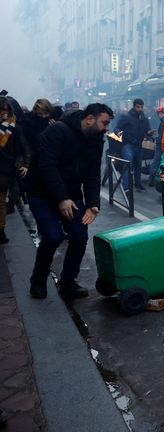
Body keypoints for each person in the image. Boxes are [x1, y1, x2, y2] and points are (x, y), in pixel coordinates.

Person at [25, 103, 113, 299]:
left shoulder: (96, 139)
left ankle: (68, 282)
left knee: (79, 236)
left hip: (72, 193)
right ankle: (38, 280)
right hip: (42, 192)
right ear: (89, 118)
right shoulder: (58, 130)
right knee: (53, 236)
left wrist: (92, 204)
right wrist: (61, 198)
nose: (107, 128)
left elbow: (93, 174)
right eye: (104, 122)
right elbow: (47, 166)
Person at [0, 96, 31, 244]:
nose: (3, 113)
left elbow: (25, 147)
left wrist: (25, 164)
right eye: (1, 110)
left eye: (5, 110)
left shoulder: (14, 127)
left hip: (4, 168)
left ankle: (0, 231)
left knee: (0, 200)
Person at [114, 98, 153, 192]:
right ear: (134, 106)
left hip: (138, 144)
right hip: (127, 144)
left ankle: (138, 185)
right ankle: (126, 186)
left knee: (138, 166)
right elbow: (117, 128)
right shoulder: (127, 116)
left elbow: (147, 130)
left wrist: (150, 132)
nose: (140, 109)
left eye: (141, 107)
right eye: (138, 107)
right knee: (128, 164)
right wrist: (118, 133)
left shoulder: (144, 117)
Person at [148, 106, 164, 187]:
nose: (159, 115)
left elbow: (161, 134)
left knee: (156, 162)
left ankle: (152, 179)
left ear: (163, 113)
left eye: (160, 113)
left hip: (162, 144)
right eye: (158, 114)